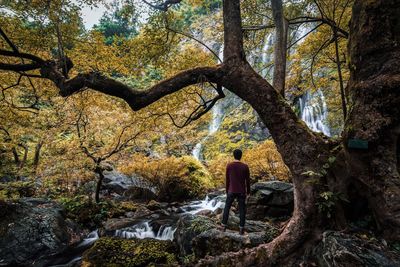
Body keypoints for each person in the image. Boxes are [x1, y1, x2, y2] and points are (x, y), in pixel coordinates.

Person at [221, 149, 250, 235]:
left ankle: (223, 227)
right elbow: (247, 181)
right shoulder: (245, 166)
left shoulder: (229, 166)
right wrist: (248, 192)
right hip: (241, 191)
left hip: (231, 190)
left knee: (227, 208)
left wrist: (227, 191)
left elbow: (227, 180)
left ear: (234, 155)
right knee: (242, 210)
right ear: (241, 156)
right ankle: (241, 229)